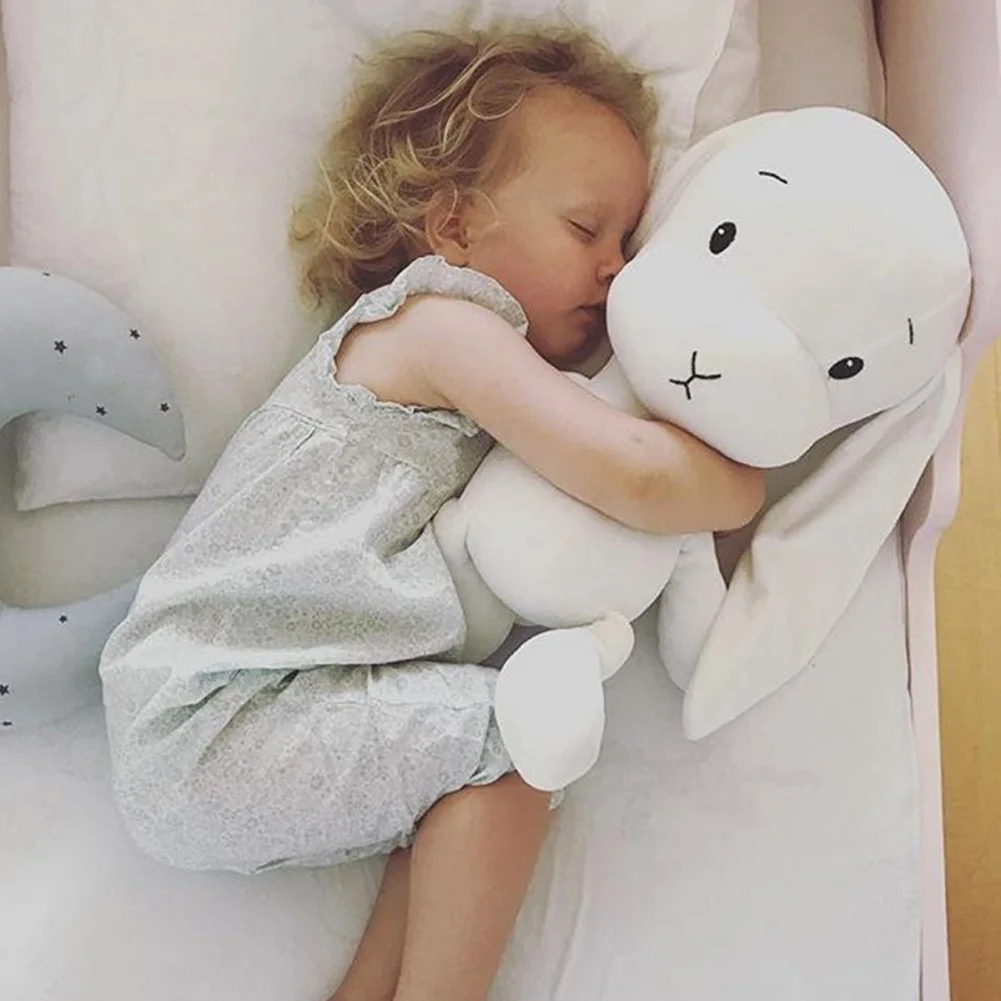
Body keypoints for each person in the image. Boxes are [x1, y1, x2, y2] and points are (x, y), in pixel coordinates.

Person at [99, 22, 765, 1001]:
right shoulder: (440, 326)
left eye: (626, 240)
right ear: (453, 227)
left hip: (227, 726)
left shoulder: (459, 358)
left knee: (461, 753)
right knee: (522, 737)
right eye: (585, 229)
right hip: (212, 713)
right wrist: (747, 476)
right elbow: (630, 476)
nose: (617, 268)